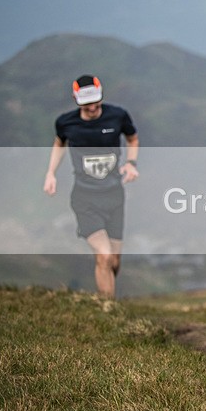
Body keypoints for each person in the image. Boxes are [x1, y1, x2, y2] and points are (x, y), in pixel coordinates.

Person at [43, 75, 139, 299]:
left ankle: (108, 300)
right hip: (85, 199)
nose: (93, 106)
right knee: (104, 256)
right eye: (87, 102)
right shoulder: (66, 122)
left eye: (96, 100)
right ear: (77, 100)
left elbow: (133, 138)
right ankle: (108, 311)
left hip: (114, 196)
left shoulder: (118, 116)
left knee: (114, 261)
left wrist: (131, 163)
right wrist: (51, 173)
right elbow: (59, 143)